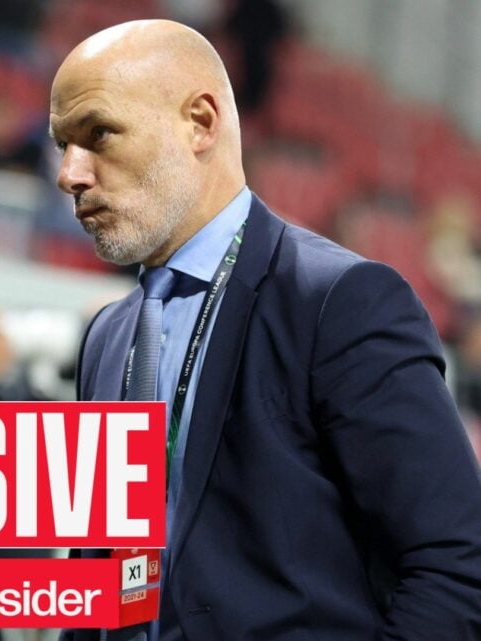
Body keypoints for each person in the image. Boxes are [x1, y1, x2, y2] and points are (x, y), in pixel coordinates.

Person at [52, 20, 481, 641]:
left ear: (200, 122)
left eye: (98, 134)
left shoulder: (341, 302)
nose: (70, 173)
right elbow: (102, 583)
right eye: (63, 144)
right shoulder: (108, 338)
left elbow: (454, 564)